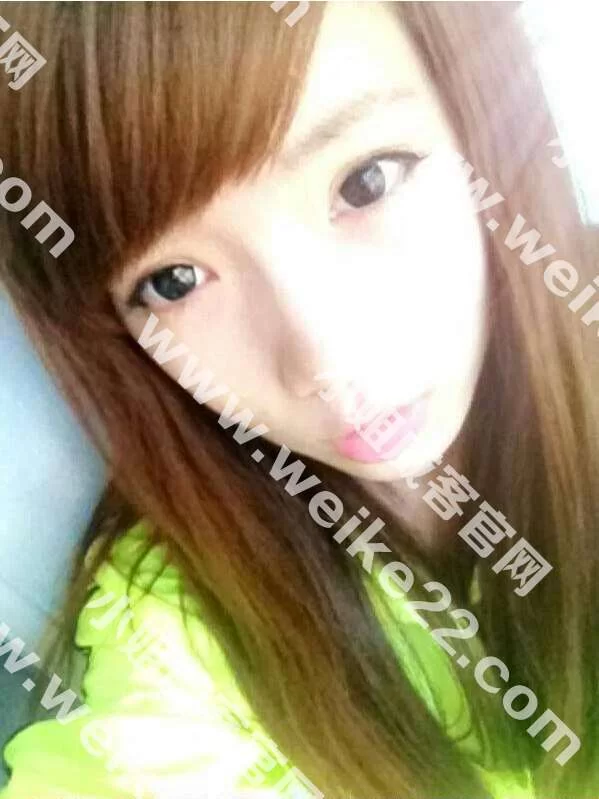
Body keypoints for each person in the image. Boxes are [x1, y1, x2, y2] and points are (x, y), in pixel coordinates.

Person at [0, 2, 598, 797]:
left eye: (366, 180)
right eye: (173, 281)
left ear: (476, 114)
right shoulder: (173, 635)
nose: (324, 357)